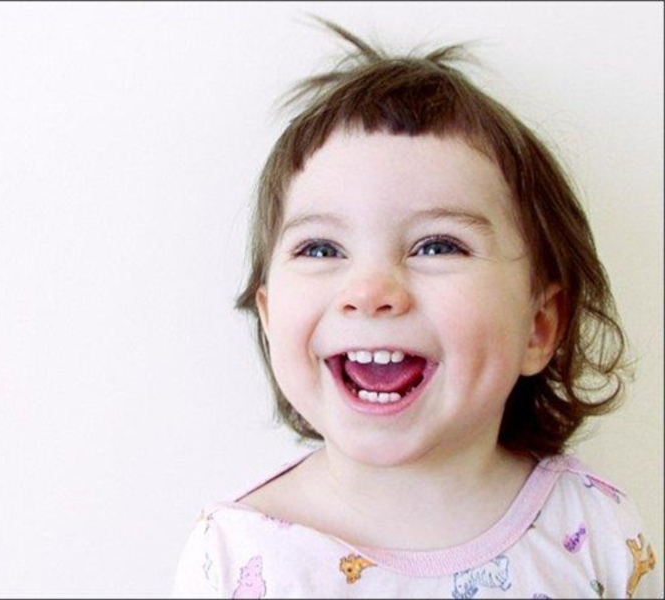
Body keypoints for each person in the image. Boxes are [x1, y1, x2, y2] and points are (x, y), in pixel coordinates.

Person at [171, 17, 662, 599]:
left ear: (538, 325)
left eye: (437, 246)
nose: (370, 290)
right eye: (321, 248)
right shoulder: (235, 558)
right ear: (271, 317)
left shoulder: (595, 528)